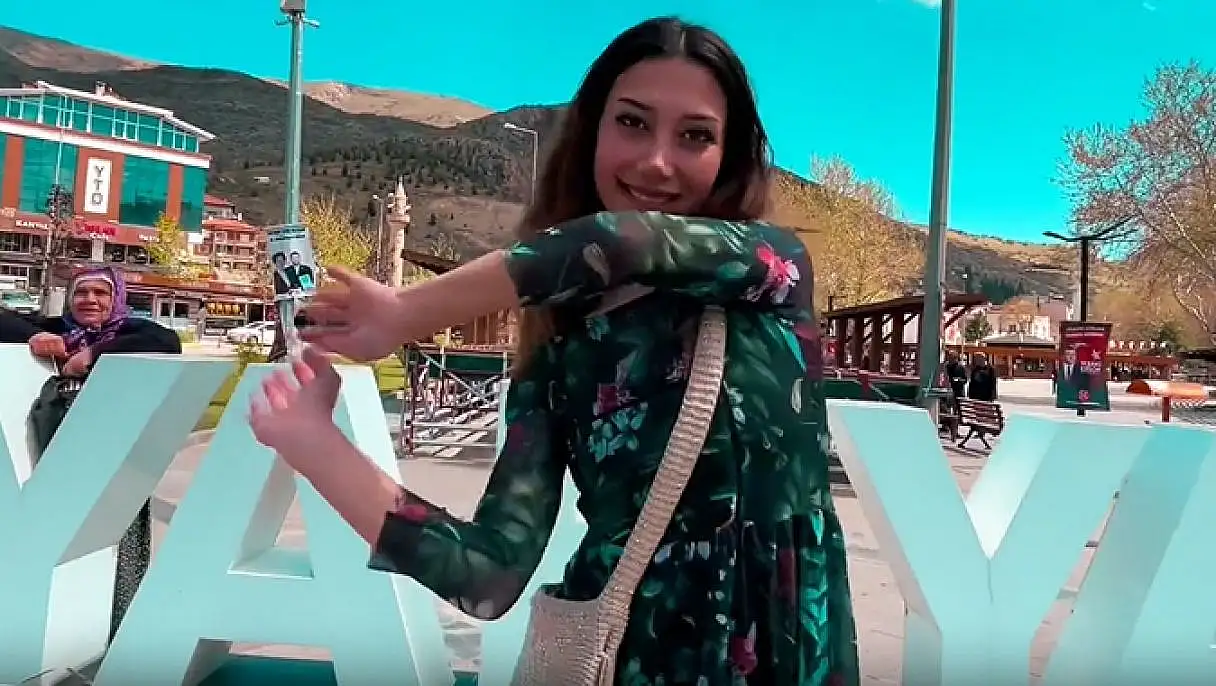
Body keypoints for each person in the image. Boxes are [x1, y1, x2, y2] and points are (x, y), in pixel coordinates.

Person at [248, 17, 859, 685]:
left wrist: (405, 313)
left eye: (695, 136)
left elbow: (618, 243)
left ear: (729, 155)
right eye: (632, 123)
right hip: (629, 660)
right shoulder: (559, 346)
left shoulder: (771, 271)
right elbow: (487, 575)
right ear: (592, 130)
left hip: (787, 655)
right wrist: (314, 443)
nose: (658, 160)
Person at [0, 266, 181, 643]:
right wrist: (36, 336)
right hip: (57, 461)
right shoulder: (58, 329)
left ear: (116, 299)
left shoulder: (130, 332)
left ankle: (116, 636)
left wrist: (93, 353)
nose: (90, 301)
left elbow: (166, 340)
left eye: (101, 293)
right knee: (57, 547)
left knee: (118, 544)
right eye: (82, 293)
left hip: (115, 461)